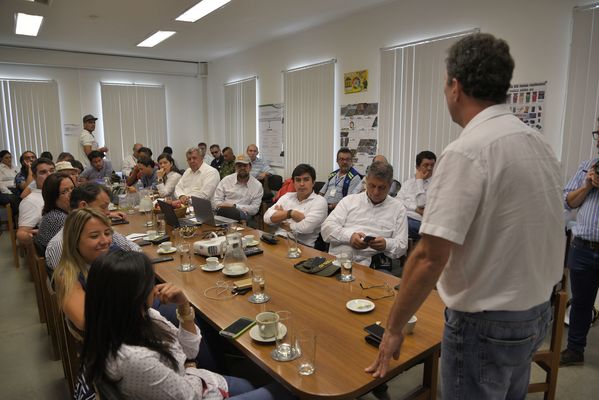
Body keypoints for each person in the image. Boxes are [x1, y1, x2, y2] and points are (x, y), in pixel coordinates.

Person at [365, 33, 564, 400]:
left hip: (485, 323)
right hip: (536, 313)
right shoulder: (539, 144)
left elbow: (428, 257)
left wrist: (393, 327)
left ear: (455, 87)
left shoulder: (467, 151)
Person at [80, 251, 294, 400]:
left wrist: (184, 306)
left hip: (198, 380)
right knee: (291, 391)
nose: (154, 289)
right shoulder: (134, 359)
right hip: (197, 390)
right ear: (132, 295)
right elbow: (189, 395)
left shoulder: (142, 317)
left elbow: (190, 350)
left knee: (247, 385)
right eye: (149, 284)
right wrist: (190, 367)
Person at [560, 122, 599, 366]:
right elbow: (568, 202)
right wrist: (586, 186)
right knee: (582, 303)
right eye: (598, 133)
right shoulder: (587, 166)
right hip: (583, 247)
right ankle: (575, 350)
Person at [321, 161, 408, 269]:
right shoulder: (349, 201)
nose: (376, 192)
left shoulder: (398, 208)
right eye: (372, 186)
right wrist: (349, 237)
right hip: (337, 262)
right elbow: (326, 228)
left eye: (382, 188)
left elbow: (402, 246)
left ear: (390, 185)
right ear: (366, 182)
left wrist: (386, 244)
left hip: (372, 268)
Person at [45, 183, 138, 273]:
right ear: (84, 206)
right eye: (103, 207)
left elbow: (130, 247)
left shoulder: (100, 230)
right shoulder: (60, 245)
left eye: (107, 233)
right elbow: (67, 285)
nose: (108, 213)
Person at [264, 164, 327, 247]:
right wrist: (290, 213)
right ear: (293, 183)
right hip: (278, 240)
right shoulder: (287, 196)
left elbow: (306, 227)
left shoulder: (320, 201)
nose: (301, 184)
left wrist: (282, 221)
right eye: (298, 180)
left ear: (313, 182)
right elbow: (267, 218)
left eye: (306, 180)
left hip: (302, 246)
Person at [397, 150, 436, 240]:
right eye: (426, 165)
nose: (430, 168)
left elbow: (422, 205)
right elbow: (397, 201)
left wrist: (419, 181)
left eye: (432, 165)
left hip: (421, 223)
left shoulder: (437, 185)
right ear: (417, 167)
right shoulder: (408, 183)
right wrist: (415, 209)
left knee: (402, 225)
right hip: (404, 217)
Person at [213, 154, 264, 220]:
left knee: (233, 213)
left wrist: (234, 206)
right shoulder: (226, 180)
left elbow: (254, 209)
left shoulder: (257, 185)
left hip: (243, 212)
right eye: (239, 166)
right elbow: (217, 200)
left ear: (250, 167)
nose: (242, 168)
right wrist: (221, 206)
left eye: (245, 166)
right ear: (235, 167)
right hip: (223, 210)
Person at [16, 158, 55, 244]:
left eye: (52, 171)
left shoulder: (59, 192)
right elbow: (21, 234)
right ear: (34, 177)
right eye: (43, 172)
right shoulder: (31, 201)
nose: (49, 175)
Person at [34, 172, 74, 253]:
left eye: (72, 188)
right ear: (53, 197)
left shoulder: (55, 211)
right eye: (64, 192)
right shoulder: (59, 218)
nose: (72, 194)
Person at [319, 147, 362, 212]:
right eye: (342, 159)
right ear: (337, 161)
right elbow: (321, 193)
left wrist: (330, 207)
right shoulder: (332, 175)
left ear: (351, 161)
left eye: (347, 159)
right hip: (323, 208)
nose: (345, 162)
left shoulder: (355, 177)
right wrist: (317, 203)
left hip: (338, 210)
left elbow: (349, 201)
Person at [0, 150, 20, 214]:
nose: (9, 159)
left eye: (10, 157)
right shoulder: (0, 169)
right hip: (5, 191)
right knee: (13, 198)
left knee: (26, 196)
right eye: (6, 158)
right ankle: (16, 218)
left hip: (17, 189)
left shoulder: (16, 168)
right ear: (1, 159)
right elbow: (0, 184)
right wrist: (9, 192)